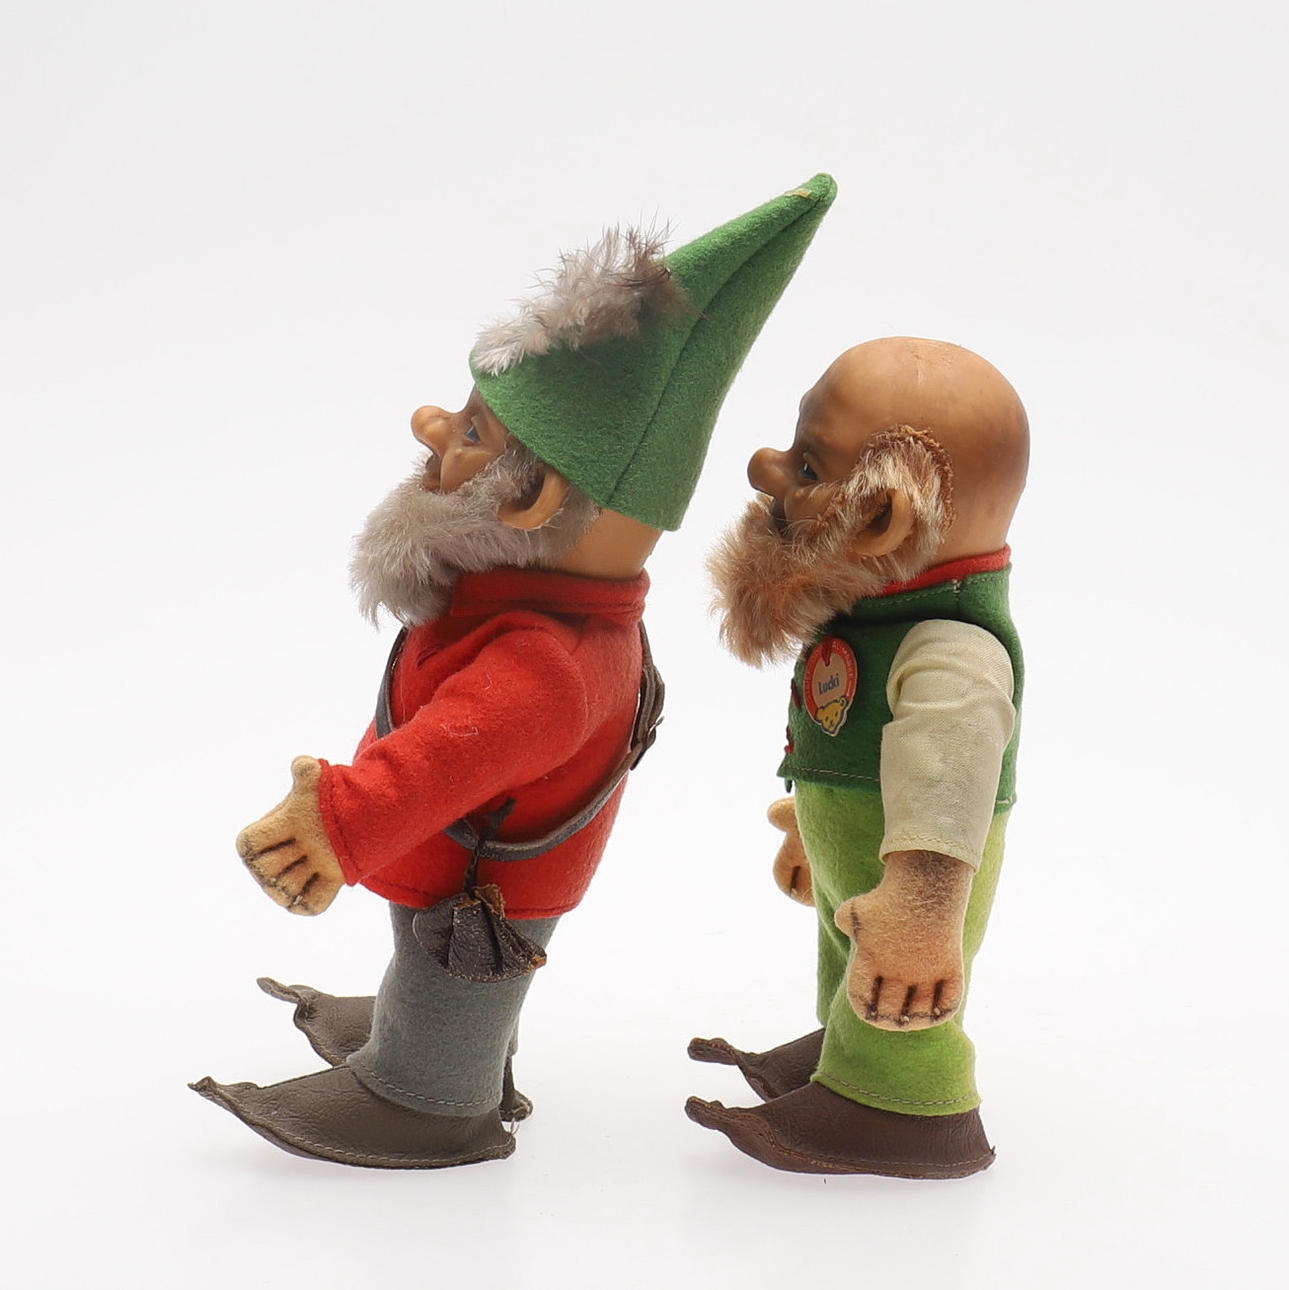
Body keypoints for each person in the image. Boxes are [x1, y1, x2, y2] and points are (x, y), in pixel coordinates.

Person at [191, 175, 837, 1169]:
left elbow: (445, 759)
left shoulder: (546, 662)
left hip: (478, 886)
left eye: (471, 434)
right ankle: (425, 1032)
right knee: (436, 965)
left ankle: (429, 1096)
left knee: (452, 980)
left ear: (530, 502)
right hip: (460, 868)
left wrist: (337, 823)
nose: (429, 429)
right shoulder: (531, 609)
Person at [687, 336, 1028, 1178]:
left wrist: (921, 911)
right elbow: (856, 746)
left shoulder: (952, 652)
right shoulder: (878, 616)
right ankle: (841, 1052)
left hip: (914, 882)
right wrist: (809, 828)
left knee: (901, 989)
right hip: (868, 862)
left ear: (880, 520)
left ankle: (900, 1107)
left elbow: (946, 794)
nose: (765, 469)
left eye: (806, 466)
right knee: (850, 956)